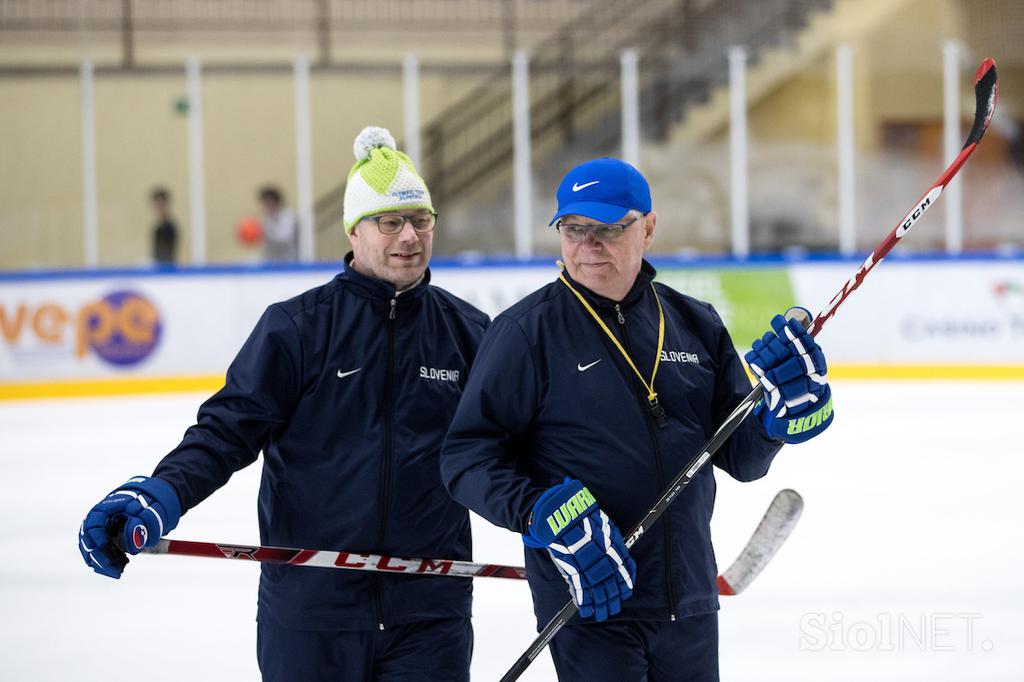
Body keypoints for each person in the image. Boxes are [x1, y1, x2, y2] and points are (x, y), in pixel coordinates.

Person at [79, 127, 489, 682]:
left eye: (421, 220)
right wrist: (165, 490)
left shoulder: (470, 333)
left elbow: (515, 447)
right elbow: (226, 432)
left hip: (429, 618)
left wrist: (564, 516)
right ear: (354, 229)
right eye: (390, 221)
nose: (409, 236)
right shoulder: (297, 328)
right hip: (309, 614)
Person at [440, 157, 834, 681]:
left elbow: (740, 457)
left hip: (688, 601)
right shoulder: (525, 334)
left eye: (607, 228)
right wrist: (537, 511)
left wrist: (776, 421)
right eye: (573, 229)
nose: (588, 245)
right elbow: (466, 457)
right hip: (592, 599)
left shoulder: (695, 323)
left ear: (648, 228)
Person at [258, 185, 300, 262]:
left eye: (268, 202)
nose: (266, 205)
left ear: (276, 201)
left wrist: (264, 232)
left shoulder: (288, 216)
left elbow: (284, 238)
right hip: (272, 262)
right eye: (264, 202)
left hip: (289, 262)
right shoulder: (267, 219)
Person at [150, 187, 179, 266]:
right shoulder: (158, 226)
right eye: (156, 204)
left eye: (160, 204)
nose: (158, 207)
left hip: (165, 268)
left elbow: (166, 253)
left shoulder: (168, 227)